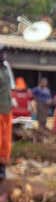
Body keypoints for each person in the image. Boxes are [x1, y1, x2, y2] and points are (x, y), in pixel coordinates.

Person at [0, 46, 11, 180]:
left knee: (5, 142)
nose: (3, 54)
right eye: (1, 52)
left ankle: (2, 168)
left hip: (7, 110)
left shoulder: (5, 68)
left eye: (4, 52)